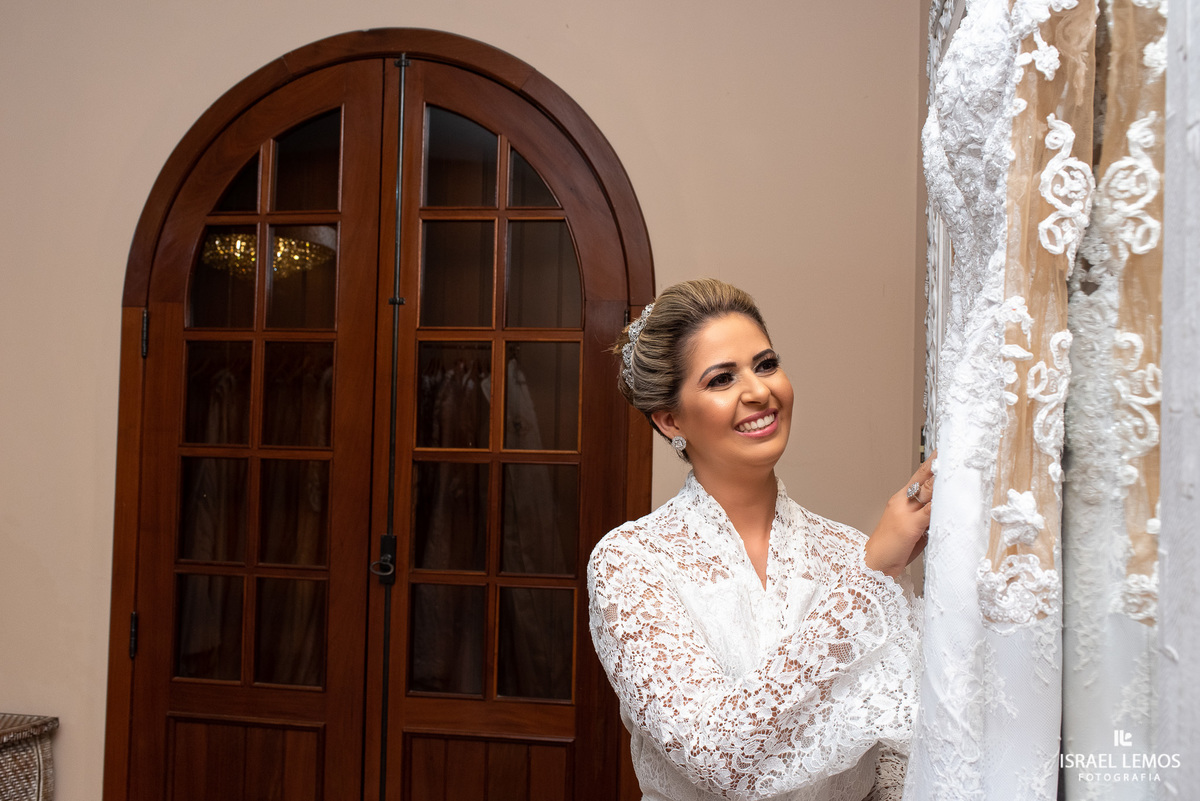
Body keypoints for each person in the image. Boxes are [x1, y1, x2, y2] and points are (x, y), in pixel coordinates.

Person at [587, 279, 931, 801]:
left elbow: (898, 756)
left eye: (766, 364)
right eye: (722, 379)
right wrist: (873, 578)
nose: (759, 391)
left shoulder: (848, 551)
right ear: (670, 419)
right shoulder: (630, 563)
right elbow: (715, 756)